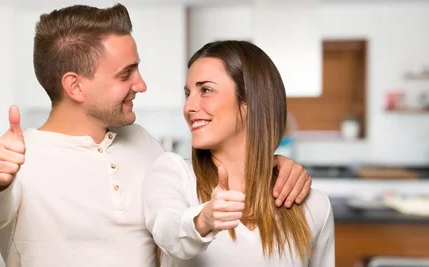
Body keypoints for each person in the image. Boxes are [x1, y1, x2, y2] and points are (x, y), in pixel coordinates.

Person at [0, 4, 313, 267]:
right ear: (75, 86)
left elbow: (189, 194)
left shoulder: (142, 143)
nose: (141, 85)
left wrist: (274, 165)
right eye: (125, 74)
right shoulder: (17, 158)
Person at [143, 40, 334, 267]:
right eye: (188, 94)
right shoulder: (173, 173)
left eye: (206, 90)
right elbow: (168, 232)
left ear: (250, 101)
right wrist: (203, 219)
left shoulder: (314, 207)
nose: (188, 107)